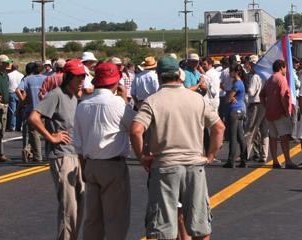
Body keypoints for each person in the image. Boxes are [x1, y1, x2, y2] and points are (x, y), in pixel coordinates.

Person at [130, 56, 225, 240]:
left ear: (159, 76)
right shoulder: (197, 99)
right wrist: (211, 155)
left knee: (163, 230)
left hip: (164, 167)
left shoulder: (152, 101)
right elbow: (219, 128)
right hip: (194, 166)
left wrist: (142, 156)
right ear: (179, 75)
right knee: (200, 227)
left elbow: (136, 130)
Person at [72, 62, 135, 240]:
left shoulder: (83, 105)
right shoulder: (118, 104)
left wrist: (84, 168)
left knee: (93, 218)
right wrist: (125, 100)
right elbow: (135, 127)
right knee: (115, 218)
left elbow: (78, 144)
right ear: (116, 82)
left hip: (90, 164)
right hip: (113, 164)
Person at [27, 59, 86, 240]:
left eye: (84, 76)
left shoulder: (76, 97)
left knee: (81, 203)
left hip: (77, 154)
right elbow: (34, 117)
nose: (82, 79)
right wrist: (51, 136)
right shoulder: (57, 95)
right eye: (79, 76)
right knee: (69, 208)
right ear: (68, 77)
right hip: (62, 155)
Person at [260, 60, 296, 169]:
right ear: (281, 68)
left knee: (273, 137)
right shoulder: (282, 79)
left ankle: (275, 160)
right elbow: (283, 96)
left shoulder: (270, 79)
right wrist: (286, 111)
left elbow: (262, 95)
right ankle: (288, 160)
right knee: (284, 137)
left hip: (270, 112)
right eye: (285, 68)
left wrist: (266, 105)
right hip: (280, 113)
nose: (286, 70)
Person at [16, 62, 45, 163]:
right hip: (44, 109)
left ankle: (36, 155)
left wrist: (22, 102)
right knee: (45, 132)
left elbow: (18, 90)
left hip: (31, 109)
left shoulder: (27, 79)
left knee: (32, 133)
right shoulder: (46, 78)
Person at [244, 55, 268, 163]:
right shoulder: (265, 75)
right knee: (264, 131)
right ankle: (264, 154)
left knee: (251, 129)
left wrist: (248, 88)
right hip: (265, 104)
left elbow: (251, 92)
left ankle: (246, 154)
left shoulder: (255, 76)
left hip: (255, 104)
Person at [223, 64, 248, 168]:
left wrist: (229, 96)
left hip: (234, 110)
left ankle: (231, 161)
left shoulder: (237, 84)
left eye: (231, 71)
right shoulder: (240, 83)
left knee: (233, 137)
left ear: (236, 72)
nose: (229, 73)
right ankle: (243, 159)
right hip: (240, 110)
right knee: (240, 136)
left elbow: (228, 99)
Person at [7, 63, 24, 131]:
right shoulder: (21, 75)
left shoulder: (8, 75)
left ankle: (12, 125)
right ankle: (19, 125)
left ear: (12, 68)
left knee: (12, 110)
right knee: (19, 109)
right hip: (20, 93)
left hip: (11, 92)